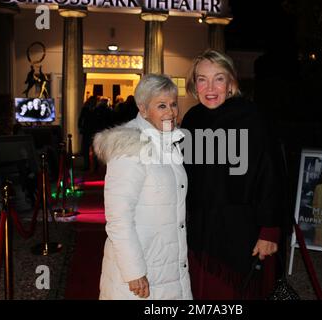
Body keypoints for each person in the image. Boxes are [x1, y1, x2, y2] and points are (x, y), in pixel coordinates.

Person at [181, 49, 284, 299]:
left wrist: (269, 230)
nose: (210, 87)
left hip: (242, 230)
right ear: (194, 84)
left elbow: (272, 174)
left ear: (231, 83)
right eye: (202, 79)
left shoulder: (252, 118)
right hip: (200, 229)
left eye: (219, 78)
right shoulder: (192, 119)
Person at [93, 74, 192, 300]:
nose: (171, 112)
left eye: (174, 104)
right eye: (162, 105)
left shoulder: (168, 141)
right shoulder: (131, 145)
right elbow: (118, 217)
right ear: (143, 109)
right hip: (142, 268)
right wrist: (134, 271)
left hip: (166, 262)